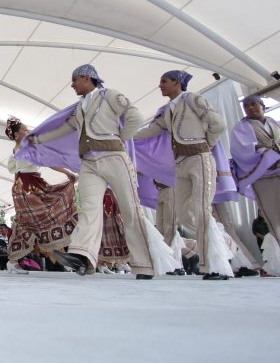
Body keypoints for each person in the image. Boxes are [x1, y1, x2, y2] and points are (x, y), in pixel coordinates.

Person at [23, 64, 178, 279]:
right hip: (89, 163)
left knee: (130, 210)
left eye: (75, 80)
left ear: (87, 78)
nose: (72, 85)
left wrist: (120, 138)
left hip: (114, 158)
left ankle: (144, 265)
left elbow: (136, 117)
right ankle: (83, 257)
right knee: (88, 210)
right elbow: (64, 128)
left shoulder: (110, 96)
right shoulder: (79, 107)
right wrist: (37, 139)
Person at [134, 70, 232, 280]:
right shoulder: (167, 110)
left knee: (201, 210)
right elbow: (149, 131)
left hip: (199, 158)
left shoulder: (194, 99)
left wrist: (207, 144)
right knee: (185, 214)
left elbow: (219, 124)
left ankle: (215, 266)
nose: (160, 86)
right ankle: (221, 247)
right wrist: (121, 135)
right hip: (180, 164)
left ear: (178, 83)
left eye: (164, 82)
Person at [5, 116, 77, 274]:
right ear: (17, 134)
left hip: (27, 186)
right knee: (37, 219)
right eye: (24, 129)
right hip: (27, 187)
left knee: (32, 222)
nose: (28, 131)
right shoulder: (27, 148)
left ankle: (15, 260)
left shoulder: (20, 148)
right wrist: (67, 172)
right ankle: (15, 260)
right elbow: (48, 162)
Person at [231, 95, 280, 247]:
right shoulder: (242, 127)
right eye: (246, 106)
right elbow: (241, 149)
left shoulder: (275, 123)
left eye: (253, 104)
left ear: (263, 107)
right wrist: (266, 153)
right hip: (263, 176)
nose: (250, 108)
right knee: (274, 216)